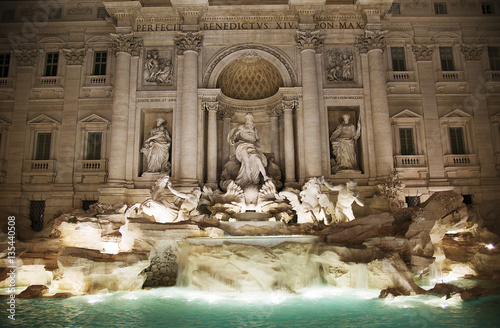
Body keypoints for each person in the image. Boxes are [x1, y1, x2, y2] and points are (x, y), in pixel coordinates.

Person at [227, 112, 269, 188]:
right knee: (246, 162)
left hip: (252, 146)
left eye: (250, 118)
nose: (249, 120)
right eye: (247, 118)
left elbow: (257, 139)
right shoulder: (242, 127)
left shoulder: (254, 129)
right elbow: (235, 134)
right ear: (246, 119)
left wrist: (258, 147)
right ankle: (249, 180)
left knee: (257, 159)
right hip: (242, 146)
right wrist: (232, 139)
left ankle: (263, 176)